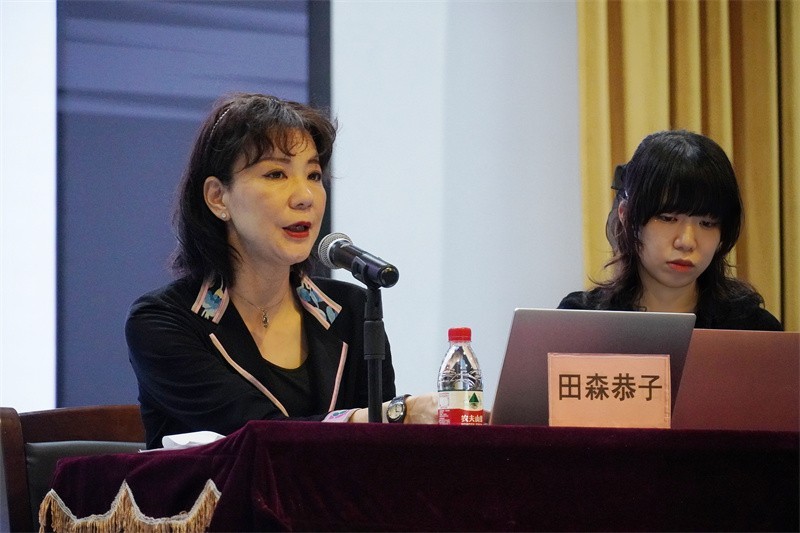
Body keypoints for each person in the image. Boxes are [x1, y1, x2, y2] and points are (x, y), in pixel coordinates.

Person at [126, 93, 437, 449]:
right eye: (276, 174)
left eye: (314, 175)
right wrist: (397, 414)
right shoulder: (164, 322)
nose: (305, 196)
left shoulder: (351, 310)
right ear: (217, 198)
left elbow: (380, 454)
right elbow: (256, 435)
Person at [558, 129, 783, 331]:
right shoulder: (578, 322)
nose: (686, 242)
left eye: (707, 223)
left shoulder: (754, 330)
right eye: (668, 218)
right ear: (626, 216)